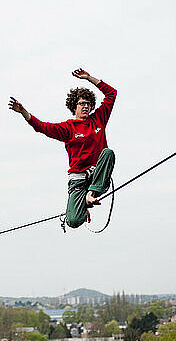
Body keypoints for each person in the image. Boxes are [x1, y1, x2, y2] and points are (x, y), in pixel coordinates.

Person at [8, 68, 117, 228]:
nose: (85, 106)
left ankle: (91, 194)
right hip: (78, 180)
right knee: (73, 222)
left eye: (88, 104)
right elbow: (41, 127)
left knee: (108, 153)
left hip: (96, 176)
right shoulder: (68, 128)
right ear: (75, 106)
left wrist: (88, 78)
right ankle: (82, 204)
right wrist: (23, 111)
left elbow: (112, 94)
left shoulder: (98, 119)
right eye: (81, 104)